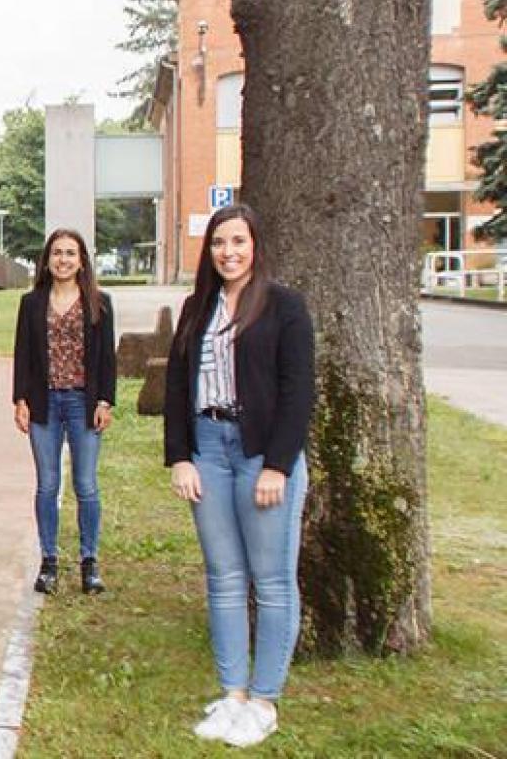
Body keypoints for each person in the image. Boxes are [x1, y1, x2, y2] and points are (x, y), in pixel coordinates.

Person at [164, 203, 314, 749]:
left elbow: (299, 391)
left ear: (255, 245)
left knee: (272, 582)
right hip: (208, 448)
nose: (229, 252)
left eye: (238, 242)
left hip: (261, 452)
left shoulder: (284, 307)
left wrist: (278, 464)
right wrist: (180, 456)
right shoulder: (196, 307)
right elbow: (179, 386)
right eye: (219, 243)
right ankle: (233, 695)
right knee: (224, 577)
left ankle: (264, 700)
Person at [11, 229, 117, 595]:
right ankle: (49, 561)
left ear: (82, 260)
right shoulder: (31, 303)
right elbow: (23, 354)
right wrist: (20, 400)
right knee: (48, 484)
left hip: (83, 404)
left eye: (71, 253)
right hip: (45, 404)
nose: (63, 260)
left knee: (85, 485)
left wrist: (105, 401)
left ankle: (89, 563)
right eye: (57, 253)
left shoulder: (99, 302)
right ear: (47, 259)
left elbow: (107, 359)